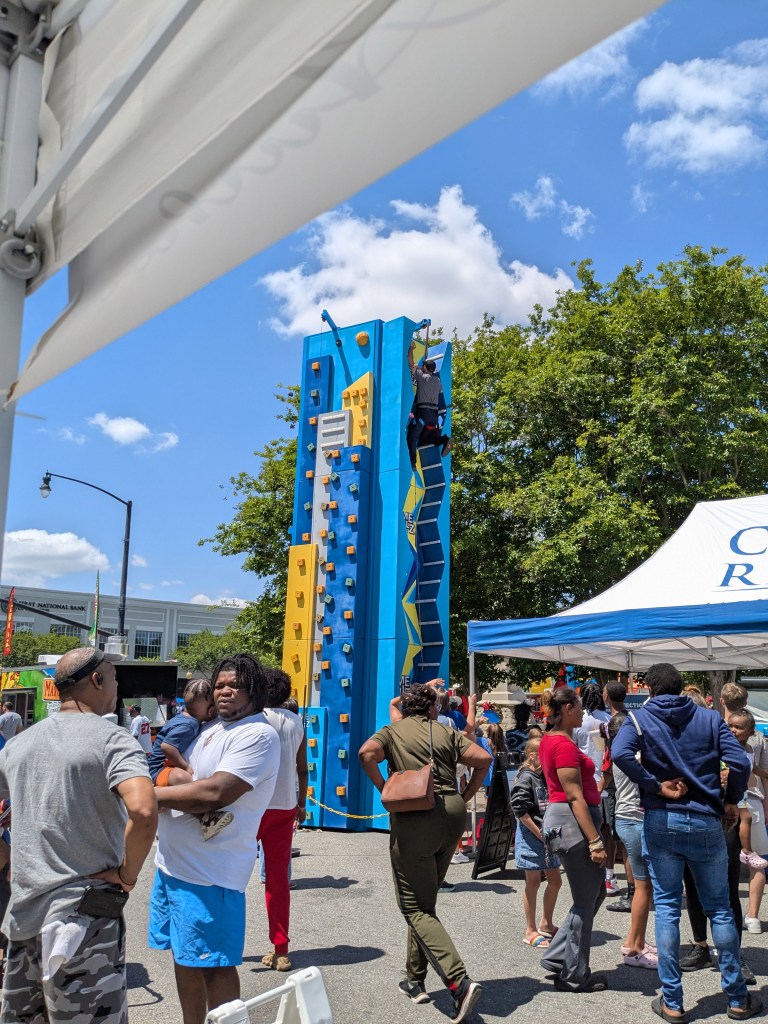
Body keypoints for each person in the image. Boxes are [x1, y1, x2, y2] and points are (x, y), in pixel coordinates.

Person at [0, 647, 157, 1024]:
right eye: (115, 679)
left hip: (23, 920)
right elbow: (144, 809)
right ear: (98, 680)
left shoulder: (19, 744)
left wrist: (8, 863)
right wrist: (127, 876)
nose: (117, 687)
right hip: (83, 920)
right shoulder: (112, 739)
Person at [612, 662, 760, 1023]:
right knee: (721, 909)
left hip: (661, 817)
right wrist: (731, 799)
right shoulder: (709, 719)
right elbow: (740, 761)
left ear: (648, 689)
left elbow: (618, 755)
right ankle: (738, 998)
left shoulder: (639, 719)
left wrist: (653, 784)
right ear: (680, 688)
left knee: (666, 907)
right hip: (706, 817)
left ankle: (673, 1002)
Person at [149, 653, 280, 1024]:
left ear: (254, 690)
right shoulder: (210, 729)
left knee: (215, 965)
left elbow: (215, 793)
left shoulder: (258, 734)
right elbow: (183, 776)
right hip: (173, 867)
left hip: (211, 875)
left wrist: (149, 795)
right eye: (220, 685)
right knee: (184, 956)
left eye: (235, 685)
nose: (224, 691)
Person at [359, 683, 491, 1023]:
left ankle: (458, 982)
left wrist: (385, 788)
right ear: (432, 708)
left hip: (415, 816)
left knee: (414, 906)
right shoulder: (445, 731)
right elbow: (483, 758)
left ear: (404, 709)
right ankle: (415, 979)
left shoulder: (391, 730)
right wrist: (468, 791)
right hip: (452, 815)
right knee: (425, 899)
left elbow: (365, 754)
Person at [537, 687, 608, 993]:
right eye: (578, 707)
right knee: (585, 899)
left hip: (566, 821)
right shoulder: (562, 744)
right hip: (572, 823)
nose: (582, 712)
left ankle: (558, 958)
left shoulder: (555, 740)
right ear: (566, 708)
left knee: (592, 895)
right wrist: (595, 840)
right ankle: (574, 973)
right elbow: (574, 795)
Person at [257, 667, 308, 973]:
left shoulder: (256, 717)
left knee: (230, 874)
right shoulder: (296, 722)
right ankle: (281, 949)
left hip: (254, 806)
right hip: (286, 804)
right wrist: (302, 803)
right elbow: (303, 767)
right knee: (278, 881)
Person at [148, 678, 233, 841]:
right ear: (210, 711)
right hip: (159, 768)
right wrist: (185, 767)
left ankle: (166, 800)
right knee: (184, 778)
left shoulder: (184, 718)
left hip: (161, 768)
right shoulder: (190, 725)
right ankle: (205, 819)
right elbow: (167, 747)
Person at [606, 713, 657, 968]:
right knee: (643, 886)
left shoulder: (619, 758)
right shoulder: (632, 758)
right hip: (633, 820)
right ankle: (633, 946)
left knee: (643, 885)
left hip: (628, 819)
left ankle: (638, 940)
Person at [511, 736, 562, 948]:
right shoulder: (526, 778)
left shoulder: (542, 776)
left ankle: (546, 923)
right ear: (533, 756)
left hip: (547, 835)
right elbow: (520, 810)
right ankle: (530, 929)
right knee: (532, 883)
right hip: (533, 838)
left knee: (555, 880)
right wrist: (539, 833)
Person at [729, 709, 767, 931]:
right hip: (736, 801)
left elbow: (754, 772)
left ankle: (753, 916)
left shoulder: (750, 749)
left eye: (739, 727)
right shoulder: (725, 748)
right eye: (731, 726)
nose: (733, 730)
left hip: (749, 800)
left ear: (751, 731)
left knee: (757, 859)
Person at [406, 341, 451, 470]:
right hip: (433, 416)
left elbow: (411, 362)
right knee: (427, 440)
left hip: (424, 414)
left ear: (425, 368)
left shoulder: (421, 376)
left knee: (412, 437)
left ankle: (413, 463)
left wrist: (411, 348)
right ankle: (444, 440)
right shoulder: (437, 381)